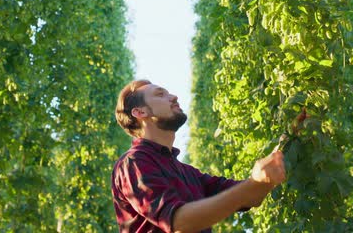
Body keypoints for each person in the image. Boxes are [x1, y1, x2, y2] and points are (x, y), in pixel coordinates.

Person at [111, 80, 286, 233]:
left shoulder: (188, 173)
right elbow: (177, 222)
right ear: (140, 113)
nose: (173, 96)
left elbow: (251, 196)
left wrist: (287, 140)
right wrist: (253, 184)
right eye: (160, 94)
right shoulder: (133, 163)